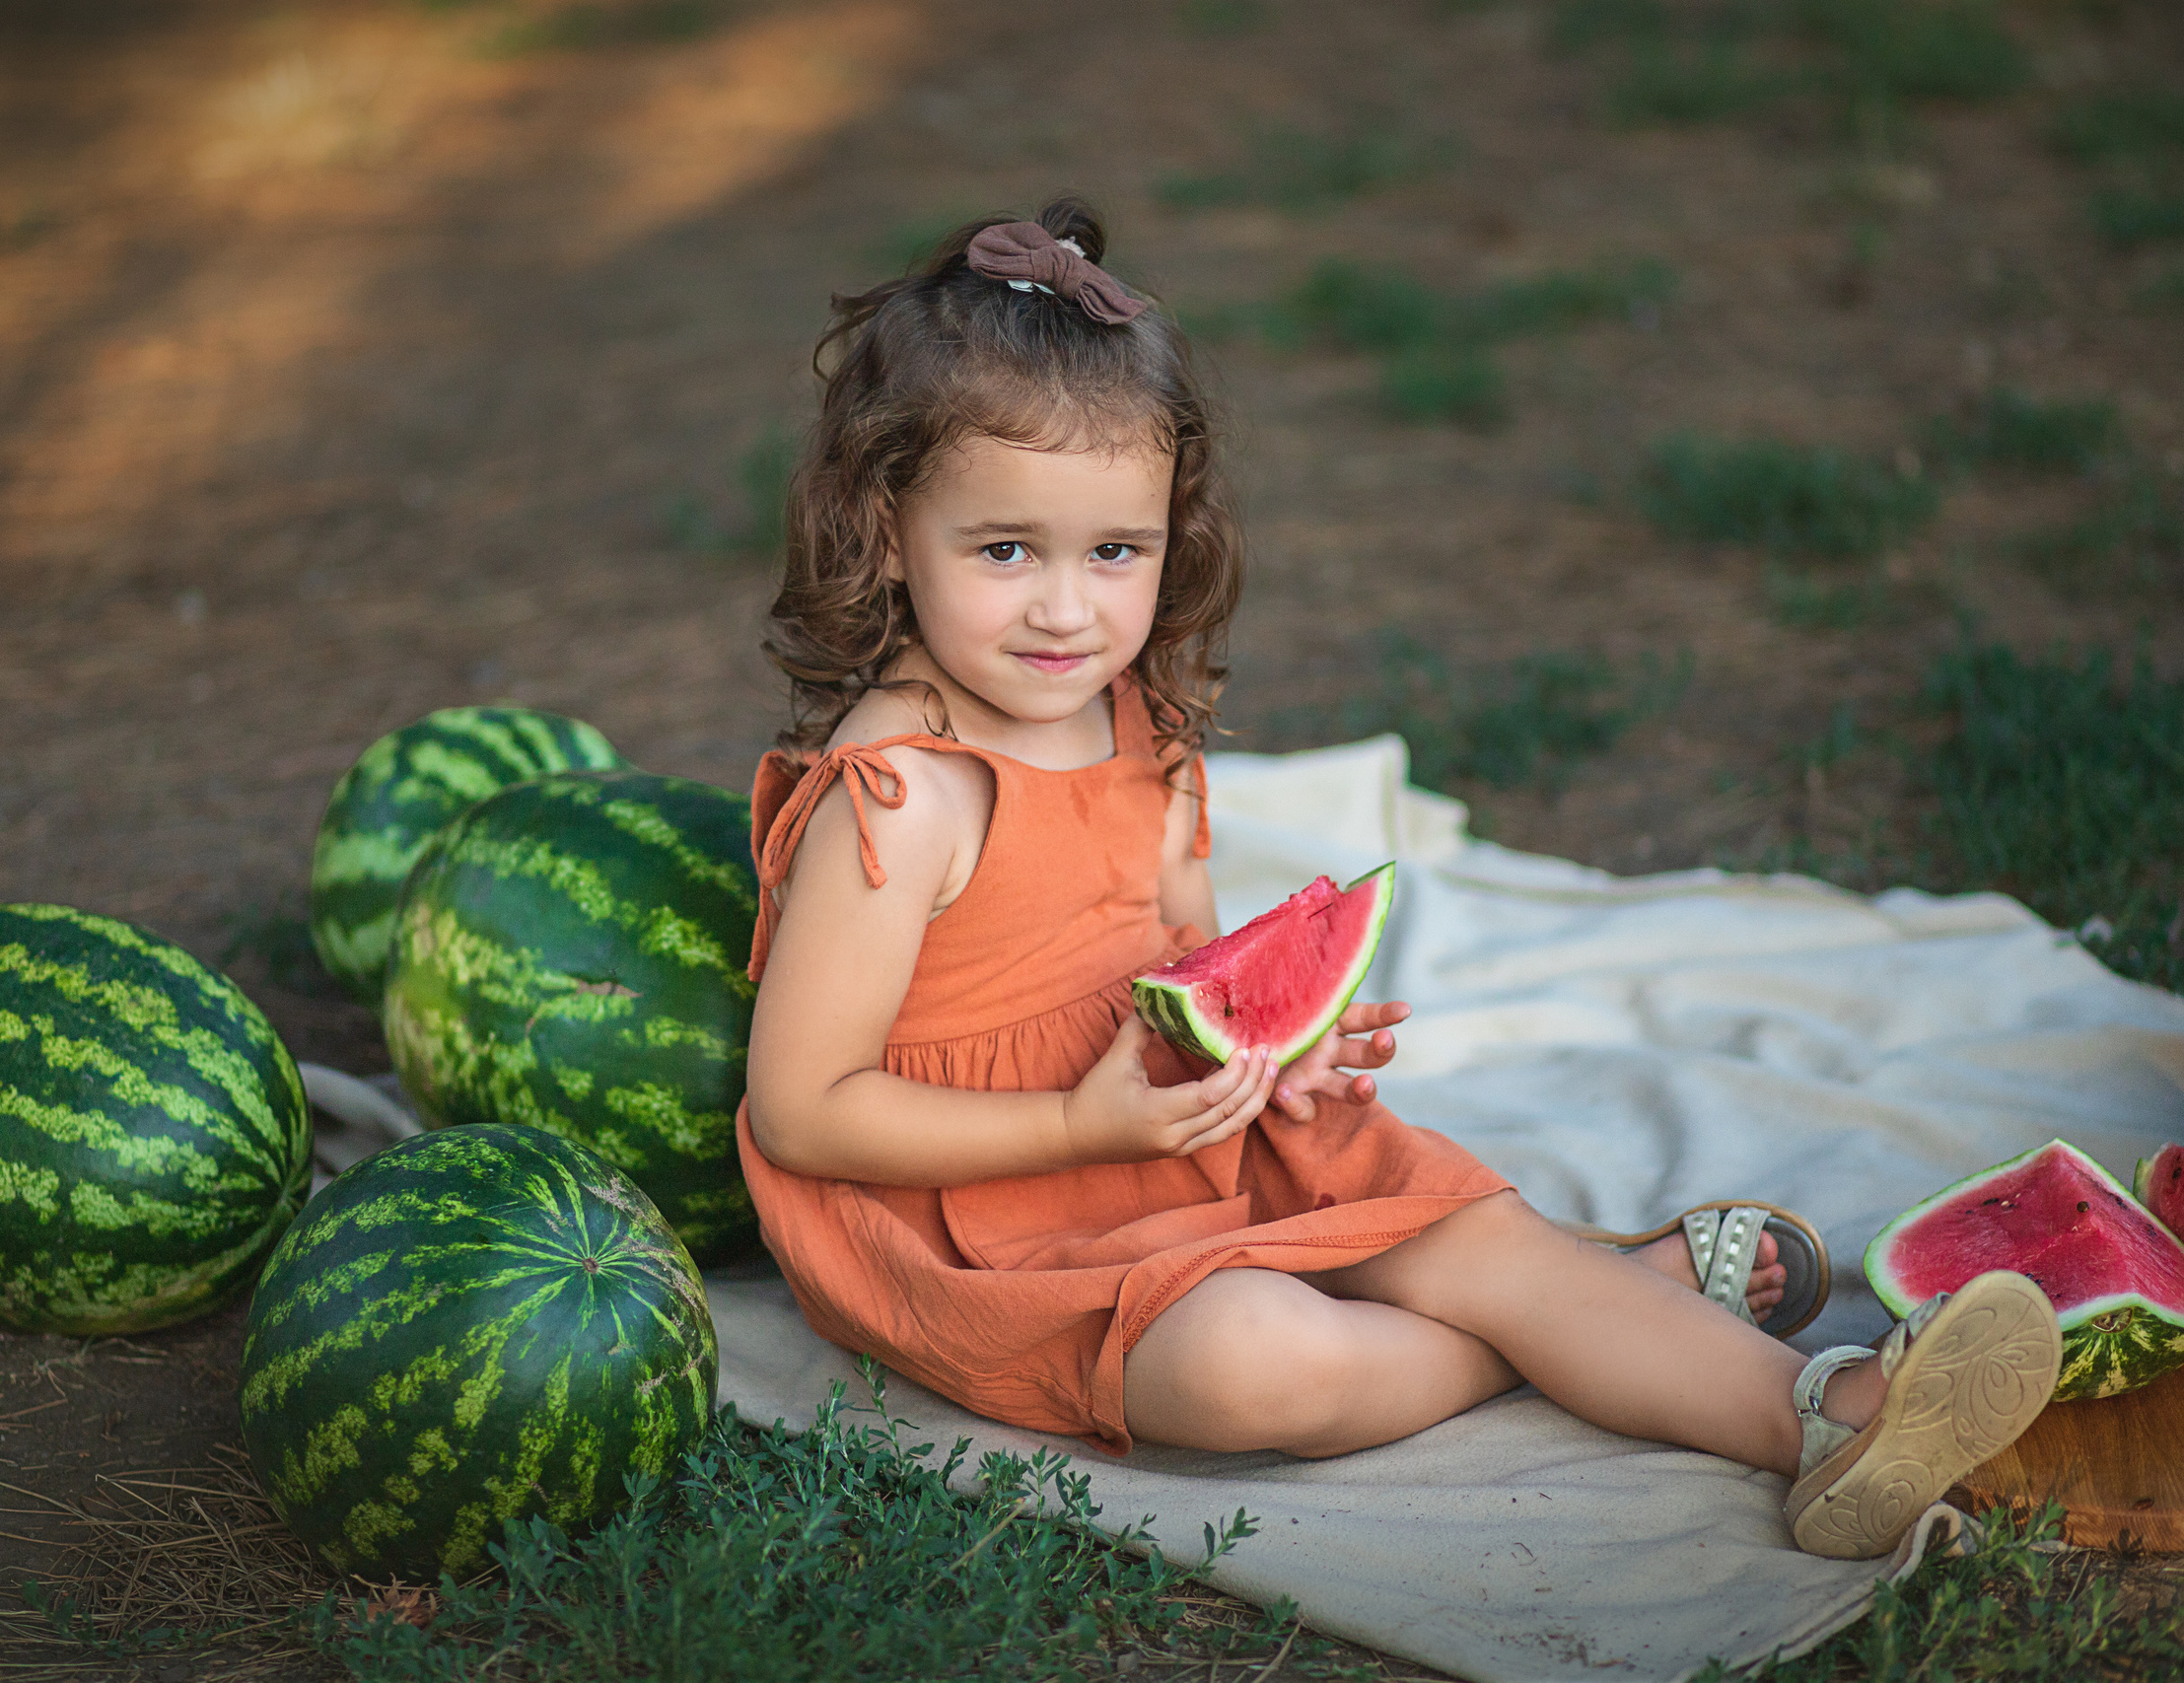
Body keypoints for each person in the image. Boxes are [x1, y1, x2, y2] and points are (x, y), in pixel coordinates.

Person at [736, 198, 2062, 1561]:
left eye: (1115, 551)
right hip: (986, 1230)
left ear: (1172, 533)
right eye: (1005, 549)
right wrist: (1079, 1124)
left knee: (1482, 1242)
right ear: (888, 530)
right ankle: (1589, 1314)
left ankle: (1828, 1416)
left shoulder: (1147, 730)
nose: (1068, 609)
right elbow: (804, 1110)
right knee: (1260, 1362)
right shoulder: (901, 793)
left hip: (1175, 1138)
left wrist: (1276, 1057)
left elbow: (1182, 970)